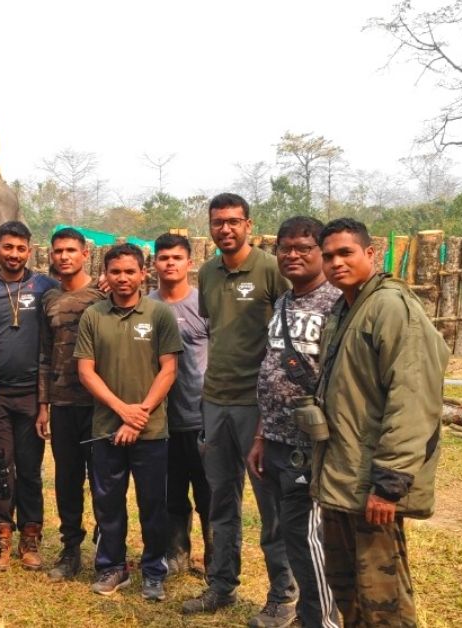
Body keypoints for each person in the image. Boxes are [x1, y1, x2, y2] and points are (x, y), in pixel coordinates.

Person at [313, 218, 448, 626]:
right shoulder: (346, 305)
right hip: (342, 474)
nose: (336, 263)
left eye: (346, 253)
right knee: (348, 587)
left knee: (382, 596)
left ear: (372, 254)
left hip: (372, 480)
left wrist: (389, 485)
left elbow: (413, 400)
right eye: (329, 256)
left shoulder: (391, 307)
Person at [185, 192, 297, 628]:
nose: (225, 229)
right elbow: (216, 328)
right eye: (218, 222)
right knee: (220, 499)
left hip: (259, 404)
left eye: (234, 221)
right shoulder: (208, 272)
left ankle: (282, 595)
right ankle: (221, 584)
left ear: (249, 225)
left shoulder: (271, 269)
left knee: (270, 504)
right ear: (210, 227)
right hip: (215, 402)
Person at [246, 217, 341, 628]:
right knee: (285, 532)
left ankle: (323, 619)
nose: (293, 255)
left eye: (304, 247)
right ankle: (305, 612)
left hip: (313, 444)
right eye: (285, 247)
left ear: (321, 251)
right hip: (277, 438)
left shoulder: (339, 303)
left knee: (309, 538)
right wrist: (261, 434)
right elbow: (271, 369)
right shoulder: (283, 302)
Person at [75, 244, 183, 601]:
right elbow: (85, 371)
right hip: (106, 429)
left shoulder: (159, 314)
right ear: (105, 275)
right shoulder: (93, 315)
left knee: (153, 504)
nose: (122, 278)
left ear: (143, 274)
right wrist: (123, 410)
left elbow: (169, 368)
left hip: (151, 431)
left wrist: (139, 416)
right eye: (115, 272)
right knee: (108, 503)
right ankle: (112, 567)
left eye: (129, 272)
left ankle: (154, 570)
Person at [0, 221, 58, 571]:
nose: (14, 254)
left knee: (30, 470)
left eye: (21, 248)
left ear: (30, 250)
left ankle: (30, 537)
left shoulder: (45, 287)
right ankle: (1, 538)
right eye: (8, 247)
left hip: (31, 395)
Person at [37, 227, 107, 582]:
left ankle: (107, 549)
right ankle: (70, 549)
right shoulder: (48, 300)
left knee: (103, 480)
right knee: (66, 480)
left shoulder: (103, 295)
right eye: (58, 250)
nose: (64, 256)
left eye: (71, 250)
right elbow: (44, 355)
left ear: (84, 255)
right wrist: (43, 404)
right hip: (63, 404)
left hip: (99, 405)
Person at [148, 233, 213, 578]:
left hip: (201, 415)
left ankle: (215, 557)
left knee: (209, 493)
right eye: (163, 257)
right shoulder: (145, 306)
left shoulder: (206, 305)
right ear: (154, 263)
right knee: (171, 493)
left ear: (190, 263)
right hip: (161, 420)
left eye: (177, 258)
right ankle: (177, 553)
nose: (170, 263)